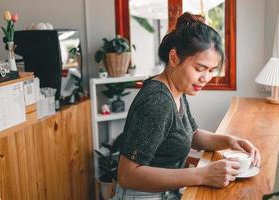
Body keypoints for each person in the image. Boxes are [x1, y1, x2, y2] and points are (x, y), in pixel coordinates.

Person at [112, 12, 261, 200]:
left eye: (211, 71)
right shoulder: (157, 102)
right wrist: (203, 174)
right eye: (199, 69)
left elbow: (192, 134)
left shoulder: (176, 90)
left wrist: (231, 141)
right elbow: (127, 175)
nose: (205, 78)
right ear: (174, 58)